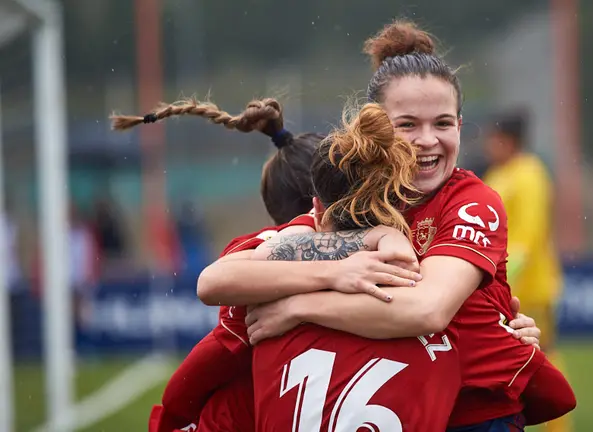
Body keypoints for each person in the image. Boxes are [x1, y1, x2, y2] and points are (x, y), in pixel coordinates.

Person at [200, 21, 574, 430]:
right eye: (408, 125)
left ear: (461, 128)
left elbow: (428, 310)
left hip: (474, 416)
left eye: (444, 123)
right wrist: (335, 271)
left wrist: (297, 306)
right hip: (406, 412)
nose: (428, 140)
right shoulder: (352, 202)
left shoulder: (473, 202)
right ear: (375, 129)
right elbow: (218, 281)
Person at [113, 97, 544, 431]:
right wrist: (501, 322)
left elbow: (209, 314)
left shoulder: (264, 274)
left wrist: (301, 303)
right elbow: (543, 389)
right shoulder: (414, 279)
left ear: (313, 210)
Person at [482, 109, 571, 432]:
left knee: (544, 353)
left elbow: (528, 237)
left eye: (493, 138)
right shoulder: (498, 174)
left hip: (531, 286)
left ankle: (558, 427)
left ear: (508, 140)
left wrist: (500, 277)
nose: (489, 145)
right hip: (507, 286)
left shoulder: (530, 174)